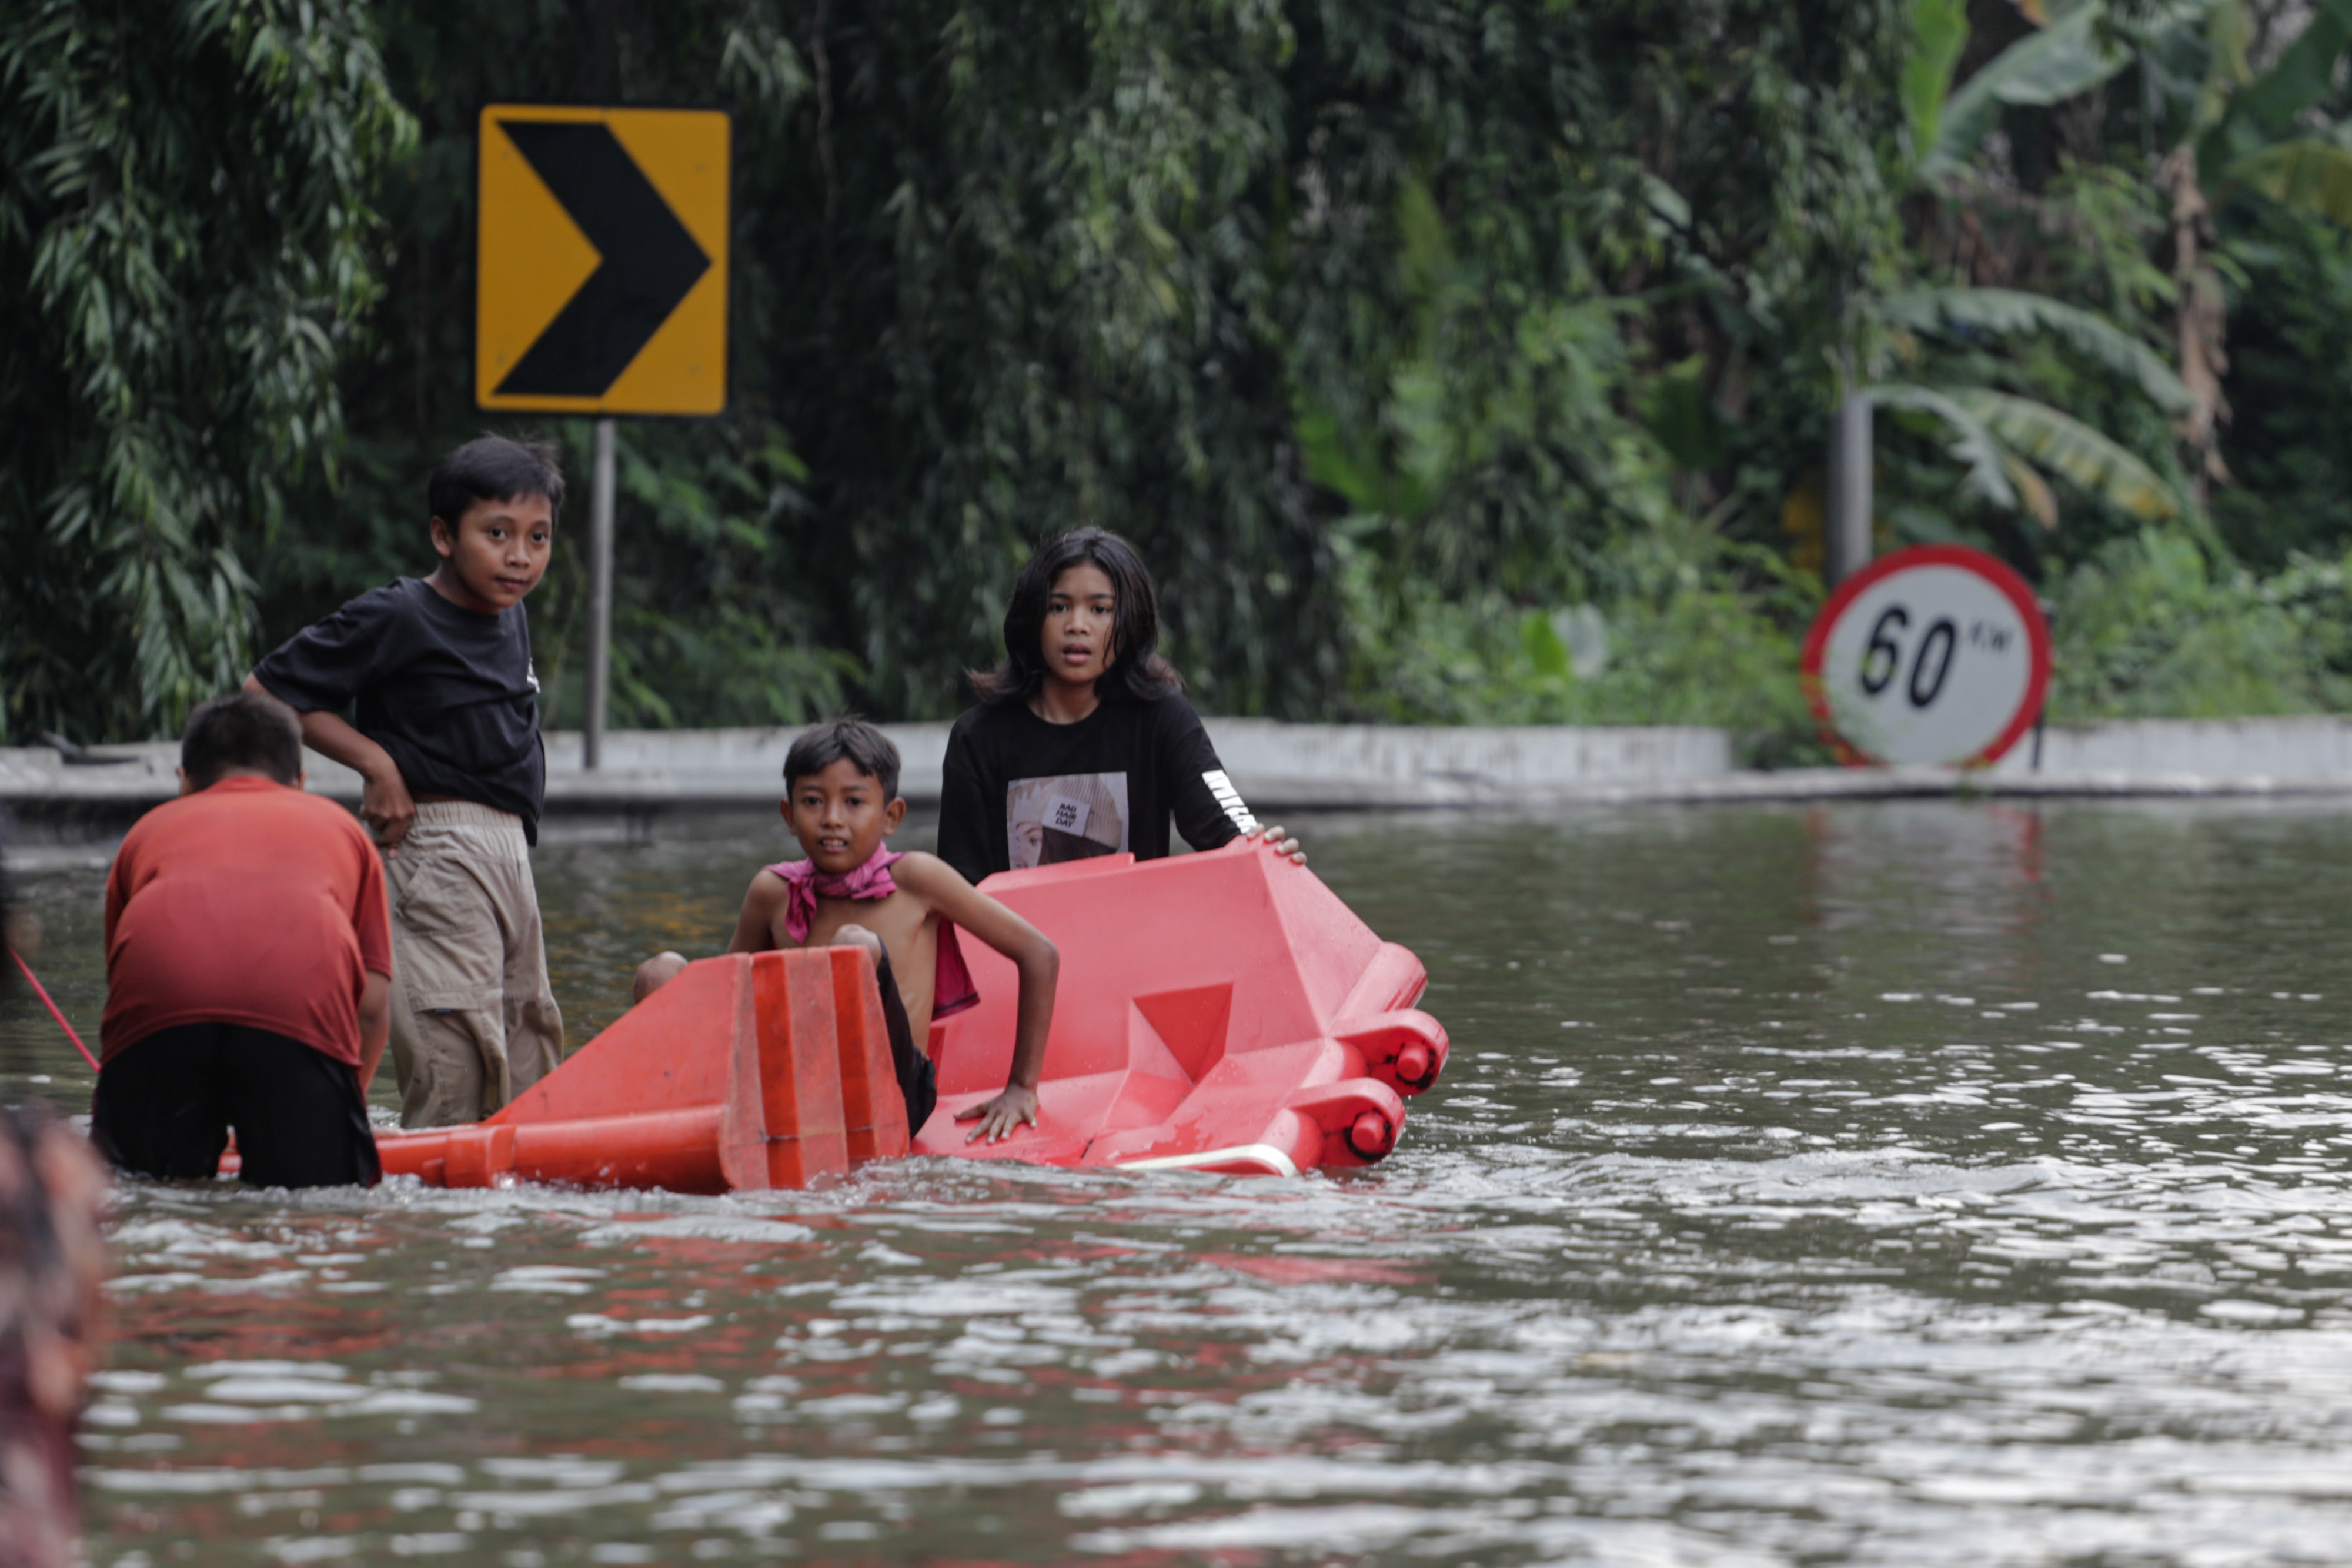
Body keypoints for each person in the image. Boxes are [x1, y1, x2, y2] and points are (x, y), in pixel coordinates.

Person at [246, 434, 564, 1129]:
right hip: (436, 851)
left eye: (538, 538)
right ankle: (436, 1213)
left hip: (511, 855)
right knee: (455, 1056)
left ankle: (513, 1217)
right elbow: (265, 691)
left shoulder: (510, 613)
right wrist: (377, 764)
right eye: (498, 534)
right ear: (443, 536)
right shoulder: (401, 614)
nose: (520, 557)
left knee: (529, 1040)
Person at [635, 719, 1059, 1142]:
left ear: (891, 816)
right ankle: (674, 1114)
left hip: (893, 1095)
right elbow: (723, 1000)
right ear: (789, 813)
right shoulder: (773, 891)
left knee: (855, 946)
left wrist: (1022, 1088)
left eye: (854, 802)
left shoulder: (917, 878)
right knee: (660, 972)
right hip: (791, 1088)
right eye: (814, 801)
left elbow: (1040, 953)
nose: (832, 819)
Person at [91, 691, 389, 1188]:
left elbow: (125, 987)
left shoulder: (145, 833)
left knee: (139, 1188)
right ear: (300, 783)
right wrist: (343, 1107)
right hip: (298, 1023)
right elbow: (374, 1007)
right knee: (318, 1206)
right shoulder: (344, 831)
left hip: (159, 1022)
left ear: (184, 782)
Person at [936, 527, 1302, 887]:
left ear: (1128, 624)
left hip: (1134, 939)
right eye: (1059, 607)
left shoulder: (1162, 717)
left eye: (1100, 609)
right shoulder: (978, 737)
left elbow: (1227, 828)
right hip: (1014, 944)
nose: (1077, 626)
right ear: (1032, 618)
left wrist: (1265, 851)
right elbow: (958, 887)